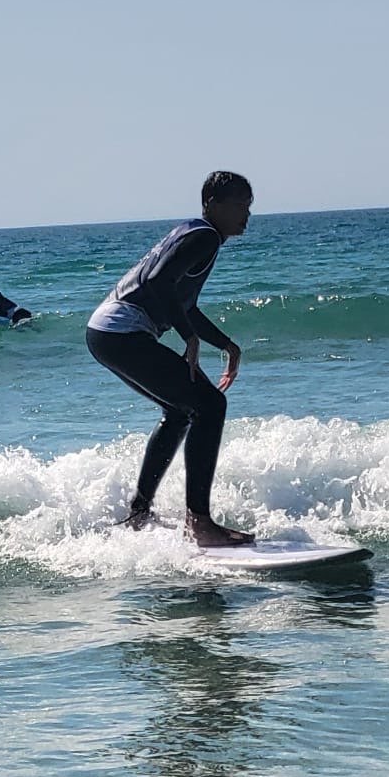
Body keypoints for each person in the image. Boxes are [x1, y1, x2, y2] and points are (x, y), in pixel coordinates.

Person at [85, 171, 256, 547]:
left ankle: (139, 512)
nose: (246, 214)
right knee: (210, 405)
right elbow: (158, 284)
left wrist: (225, 344)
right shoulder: (205, 237)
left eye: (249, 205)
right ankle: (200, 524)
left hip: (106, 333)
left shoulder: (194, 233)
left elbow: (182, 302)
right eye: (238, 205)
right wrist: (189, 338)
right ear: (211, 203)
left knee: (182, 411)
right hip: (122, 332)